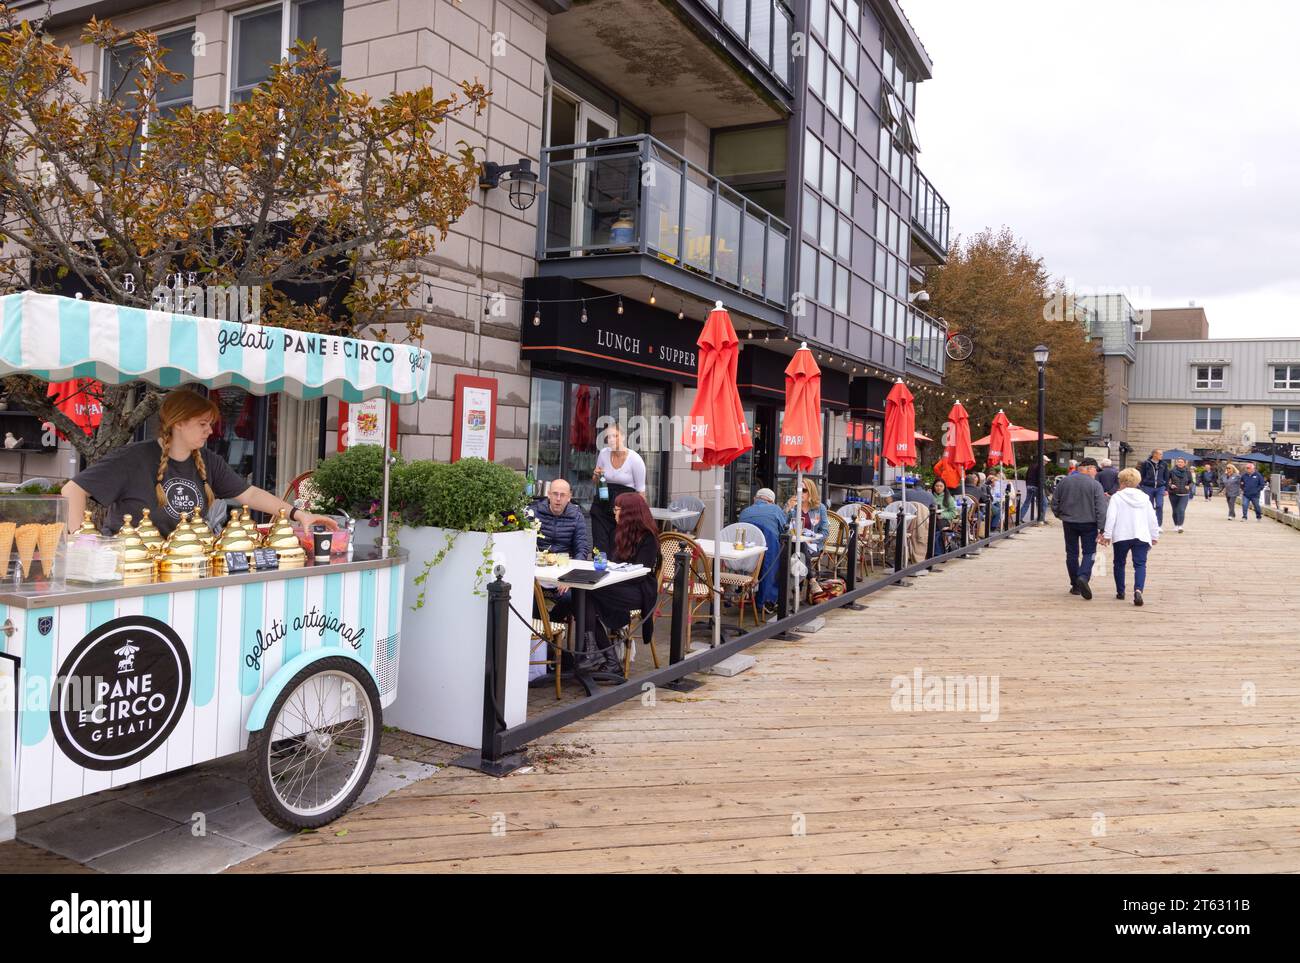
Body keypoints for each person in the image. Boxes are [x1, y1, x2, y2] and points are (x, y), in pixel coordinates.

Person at [62, 388, 337, 537]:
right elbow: (72, 490)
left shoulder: (207, 461)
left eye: (211, 424)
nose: (210, 431)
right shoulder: (132, 457)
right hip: (132, 570)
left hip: (185, 566)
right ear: (178, 423)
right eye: (203, 424)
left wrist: (299, 514)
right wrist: (78, 541)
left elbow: (249, 494)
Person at [590, 493, 662, 678]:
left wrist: (611, 577)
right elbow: (614, 561)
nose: (614, 512)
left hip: (640, 591)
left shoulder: (648, 538)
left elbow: (640, 574)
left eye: (617, 509)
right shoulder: (619, 532)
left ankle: (600, 654)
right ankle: (609, 658)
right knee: (584, 594)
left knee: (589, 594)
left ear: (629, 512)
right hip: (618, 584)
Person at [1050, 456, 1108, 600]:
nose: (1096, 473)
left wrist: (1059, 515)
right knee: (1089, 552)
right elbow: (1101, 508)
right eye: (1095, 470)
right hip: (1089, 523)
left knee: (1071, 553)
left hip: (1069, 521)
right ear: (1089, 468)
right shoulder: (1095, 485)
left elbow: (1055, 501)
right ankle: (1083, 576)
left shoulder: (1065, 481)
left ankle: (1075, 585)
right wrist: (1102, 528)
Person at [1101, 467, 1160, 606]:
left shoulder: (1116, 497)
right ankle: (1138, 590)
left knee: (1119, 563)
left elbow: (1111, 518)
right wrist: (1154, 535)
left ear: (1122, 481)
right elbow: (1152, 518)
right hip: (1141, 535)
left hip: (1122, 534)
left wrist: (1107, 535)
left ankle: (1120, 591)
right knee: (1140, 564)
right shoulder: (1145, 498)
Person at [589, 423, 646, 554]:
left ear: (624, 437)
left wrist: (641, 520)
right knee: (600, 547)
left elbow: (641, 493)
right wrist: (596, 475)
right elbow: (596, 480)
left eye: (615, 436)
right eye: (608, 437)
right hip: (602, 505)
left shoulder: (635, 460)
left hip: (623, 510)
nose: (611, 440)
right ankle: (599, 572)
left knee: (618, 549)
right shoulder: (603, 454)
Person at [738, 488, 788, 614]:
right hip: (768, 553)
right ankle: (766, 601)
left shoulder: (745, 511)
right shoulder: (776, 509)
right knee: (781, 558)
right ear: (771, 501)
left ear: (755, 499)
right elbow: (785, 530)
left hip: (746, 555)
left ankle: (743, 592)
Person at [530, 478, 591, 560]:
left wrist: (575, 568)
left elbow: (581, 548)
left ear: (569, 497)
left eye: (562, 495)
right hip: (538, 562)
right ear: (549, 494)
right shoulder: (534, 512)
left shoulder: (577, 516)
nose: (558, 499)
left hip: (564, 563)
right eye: (555, 494)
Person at [1138, 449, 1169, 526]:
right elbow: (1142, 475)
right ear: (1154, 454)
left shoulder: (1164, 464)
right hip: (1148, 487)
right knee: (1149, 506)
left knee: (1159, 505)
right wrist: (1142, 487)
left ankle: (1158, 525)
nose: (1162, 456)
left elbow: (1166, 477)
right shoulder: (1146, 463)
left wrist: (1166, 489)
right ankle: (1150, 524)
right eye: (1160, 454)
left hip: (1160, 487)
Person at [1166, 456, 1194, 533]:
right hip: (1173, 494)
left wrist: (1189, 486)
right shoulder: (1171, 471)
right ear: (1176, 463)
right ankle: (1176, 525)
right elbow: (1166, 481)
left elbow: (1191, 482)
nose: (1180, 463)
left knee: (1181, 510)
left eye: (1182, 462)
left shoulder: (1188, 472)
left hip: (1184, 494)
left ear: (1185, 463)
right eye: (1179, 462)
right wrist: (1170, 485)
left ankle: (1180, 526)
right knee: (1175, 511)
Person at [930, 479, 958, 554]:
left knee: (937, 530)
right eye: (937, 486)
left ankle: (938, 553)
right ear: (933, 487)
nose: (938, 488)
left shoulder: (949, 498)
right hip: (930, 519)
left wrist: (942, 515)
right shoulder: (930, 496)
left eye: (941, 486)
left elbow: (953, 513)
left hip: (943, 520)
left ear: (944, 487)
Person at [1025, 456, 1046, 520]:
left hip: (1029, 486)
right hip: (1036, 487)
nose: (1046, 462)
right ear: (1042, 460)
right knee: (1044, 502)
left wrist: (1027, 485)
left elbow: (1027, 476)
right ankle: (1041, 519)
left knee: (1027, 503)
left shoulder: (1031, 466)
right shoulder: (1040, 467)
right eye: (1045, 461)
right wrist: (1041, 488)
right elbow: (1040, 478)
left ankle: (1019, 518)